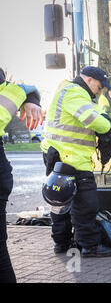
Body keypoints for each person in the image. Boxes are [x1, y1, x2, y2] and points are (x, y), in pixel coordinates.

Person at [41, 66, 111, 257]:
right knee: (85, 204)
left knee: (59, 203)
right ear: (89, 80)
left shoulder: (66, 90)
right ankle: (90, 246)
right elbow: (97, 122)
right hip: (72, 159)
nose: (99, 92)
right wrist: (107, 123)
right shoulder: (75, 94)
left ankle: (61, 243)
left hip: (57, 156)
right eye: (99, 87)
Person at [1, 68, 44, 282]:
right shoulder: (10, 92)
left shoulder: (8, 92)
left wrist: (31, 97)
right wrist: (32, 98)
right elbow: (30, 88)